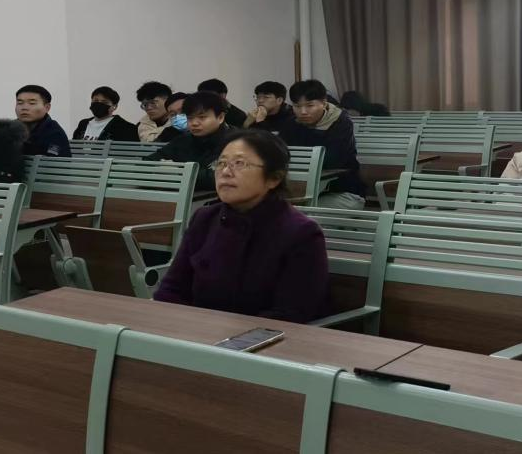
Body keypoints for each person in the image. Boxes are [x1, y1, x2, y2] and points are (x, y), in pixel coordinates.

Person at [154, 130, 330, 323]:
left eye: (239, 164)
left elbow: (290, 314)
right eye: (221, 163)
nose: (225, 172)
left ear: (274, 178)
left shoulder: (301, 233)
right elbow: (170, 290)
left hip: (258, 338)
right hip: (195, 330)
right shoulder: (204, 218)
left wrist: (221, 333)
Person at [278, 79, 367, 209]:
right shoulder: (291, 123)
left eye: (310, 105)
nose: (303, 111)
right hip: (300, 189)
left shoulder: (341, 123)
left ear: (324, 103)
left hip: (341, 192)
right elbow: (277, 153)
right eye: (297, 106)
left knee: (294, 213)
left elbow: (334, 160)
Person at [144, 91, 229, 190]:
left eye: (202, 117)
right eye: (190, 118)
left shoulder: (235, 142)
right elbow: (147, 162)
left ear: (220, 117)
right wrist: (162, 169)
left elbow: (224, 177)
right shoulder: (183, 140)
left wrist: (180, 172)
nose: (194, 123)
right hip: (178, 194)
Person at [15, 85, 71, 157]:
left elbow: (57, 161)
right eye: (20, 103)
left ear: (47, 107)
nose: (24, 108)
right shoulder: (9, 129)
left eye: (32, 103)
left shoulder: (54, 133)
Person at [72, 86, 139, 142]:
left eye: (104, 102)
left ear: (114, 106)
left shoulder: (126, 128)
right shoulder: (83, 124)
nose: (99, 104)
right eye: (95, 101)